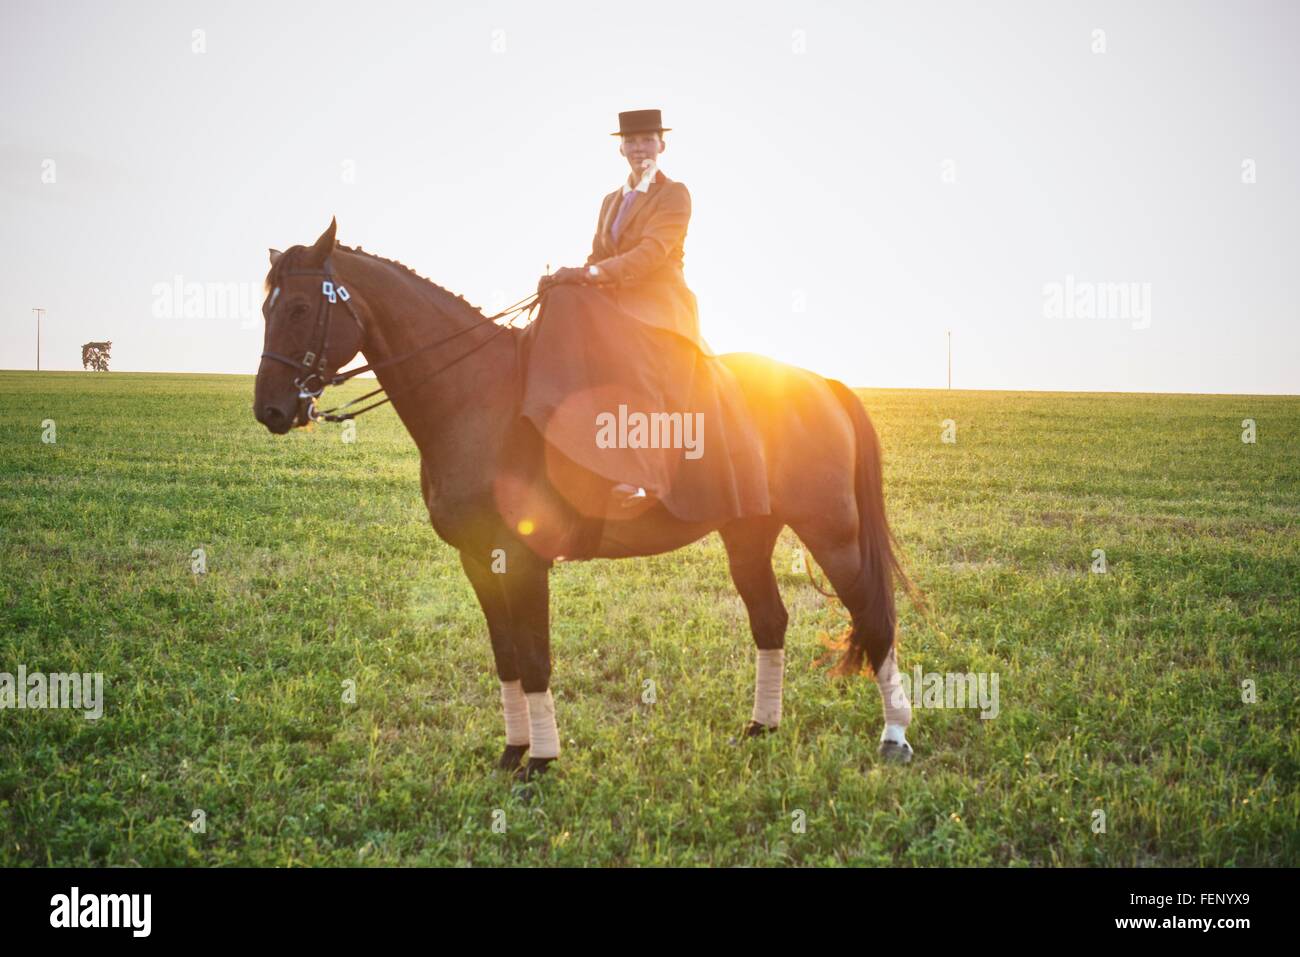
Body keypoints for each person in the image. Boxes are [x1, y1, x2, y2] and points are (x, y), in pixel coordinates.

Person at [522, 109, 769, 525]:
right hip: (613, 300)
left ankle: (640, 474)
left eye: (647, 140)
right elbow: (598, 256)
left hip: (657, 305)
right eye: (632, 141)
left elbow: (652, 253)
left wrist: (591, 275)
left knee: (626, 356)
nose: (639, 148)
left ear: (661, 145)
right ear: (621, 148)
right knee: (559, 306)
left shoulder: (674, 194)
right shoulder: (609, 201)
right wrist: (569, 278)